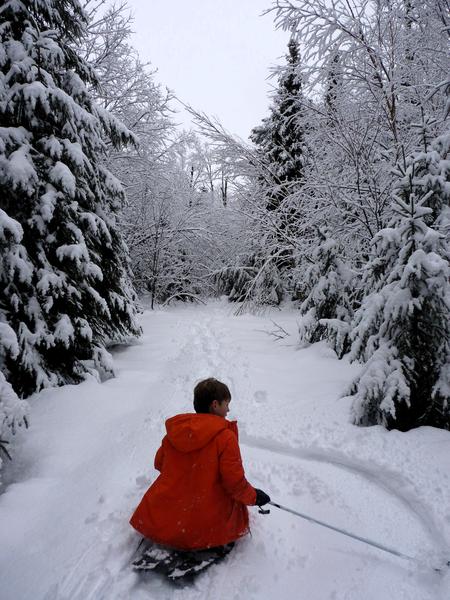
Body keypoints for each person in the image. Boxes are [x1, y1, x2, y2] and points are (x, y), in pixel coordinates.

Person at [130, 378, 270, 550]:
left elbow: (159, 463)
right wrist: (254, 497)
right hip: (205, 523)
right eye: (227, 404)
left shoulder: (175, 434)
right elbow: (234, 484)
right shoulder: (225, 438)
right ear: (215, 405)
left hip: (171, 516)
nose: (229, 410)